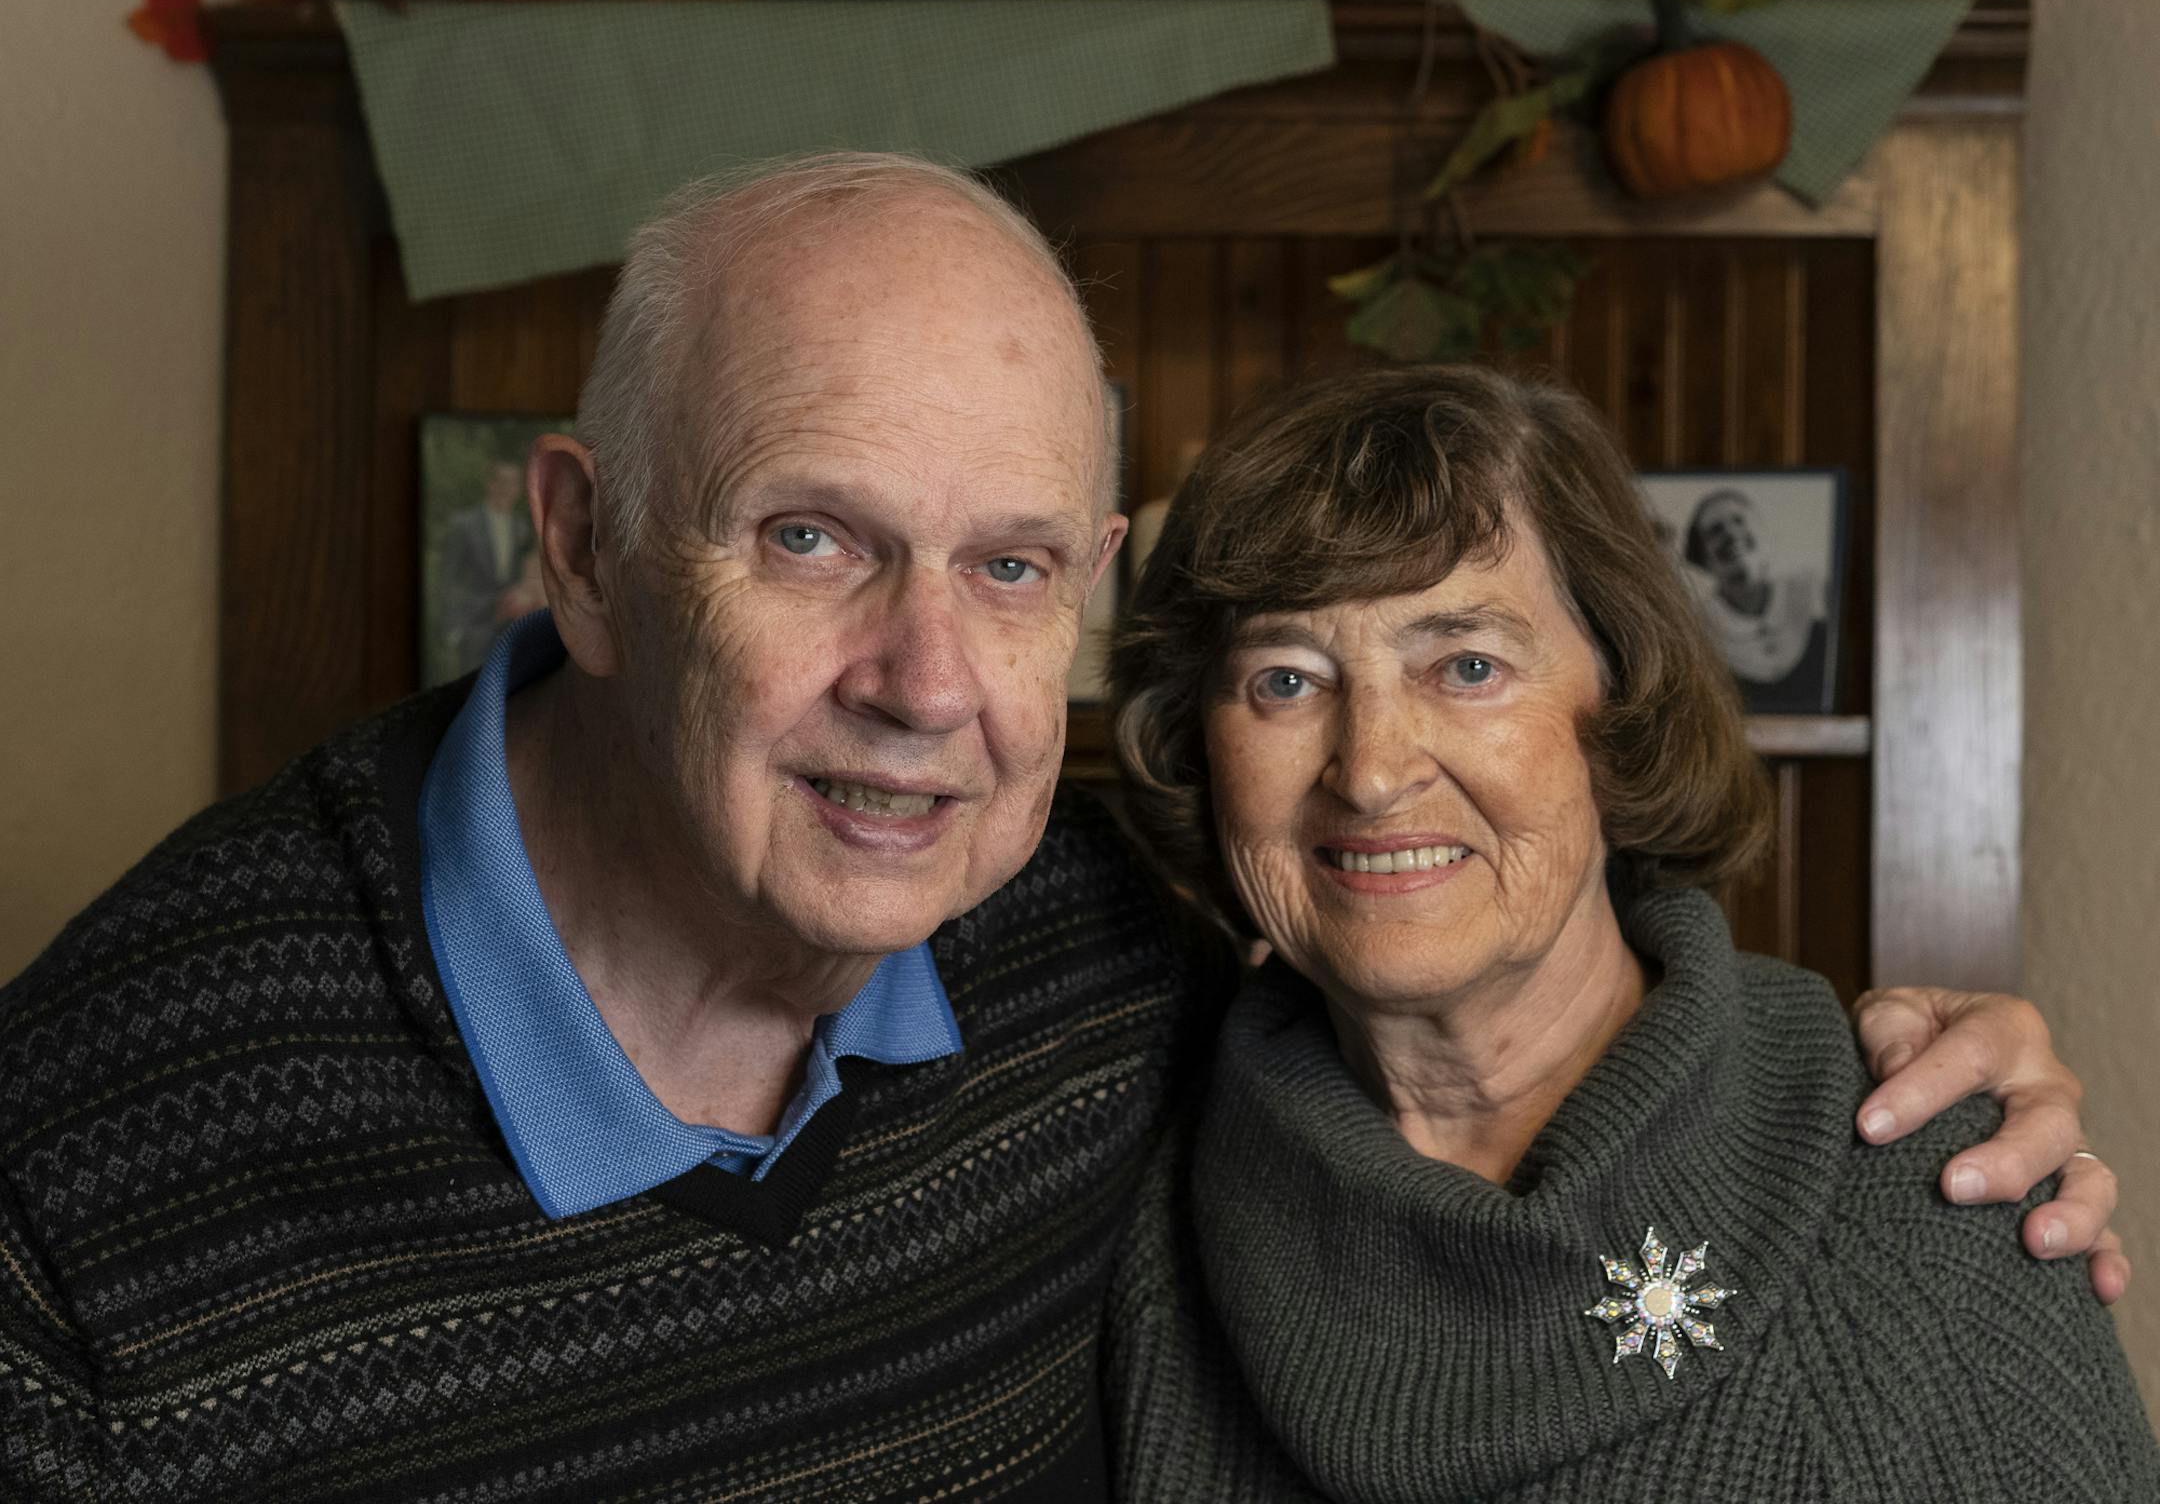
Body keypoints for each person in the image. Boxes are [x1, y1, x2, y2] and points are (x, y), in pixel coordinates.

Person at [0, 158, 2121, 1503]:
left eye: (1013, 567)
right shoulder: (82, 1204)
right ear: (584, 546)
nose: (925, 684)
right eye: (815, 536)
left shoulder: (1076, 939)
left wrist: (1920, 1080)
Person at [1103, 365, 2156, 1501]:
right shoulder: (1113, 1183)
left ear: (1622, 711)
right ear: (1201, 749)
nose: (1369, 770)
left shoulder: (1933, 1202)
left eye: (1467, 666)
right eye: (1285, 679)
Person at [1682, 487, 1830, 707]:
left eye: (1739, 520)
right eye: (1715, 531)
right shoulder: (1695, 627)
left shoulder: (1815, 591)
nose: (1731, 534)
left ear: (1761, 531)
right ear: (1702, 556)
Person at [437, 456, 536, 675]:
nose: (507, 489)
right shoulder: (464, 525)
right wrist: (454, 628)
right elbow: (448, 578)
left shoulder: (522, 528)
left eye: (513, 483)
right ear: (490, 484)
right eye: (502, 481)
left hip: (510, 626)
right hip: (474, 625)